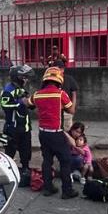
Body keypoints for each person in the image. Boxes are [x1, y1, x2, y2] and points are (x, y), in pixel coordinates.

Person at [28, 67, 78, 199]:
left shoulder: (37, 94)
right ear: (59, 80)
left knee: (47, 160)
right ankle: (67, 191)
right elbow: (71, 110)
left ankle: (48, 188)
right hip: (57, 134)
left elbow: (28, 103)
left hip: (43, 133)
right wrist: (74, 95)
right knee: (65, 161)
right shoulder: (60, 94)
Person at [0, 64, 34, 187]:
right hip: (13, 128)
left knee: (26, 151)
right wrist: (20, 103)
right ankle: (6, 175)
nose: (26, 80)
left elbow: (28, 103)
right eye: (24, 77)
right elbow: (5, 106)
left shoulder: (22, 89)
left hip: (25, 127)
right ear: (17, 77)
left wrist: (31, 102)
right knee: (10, 152)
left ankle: (25, 171)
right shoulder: (8, 90)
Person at [53, 56, 78, 129]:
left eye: (59, 69)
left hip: (67, 109)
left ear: (63, 69)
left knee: (67, 129)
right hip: (55, 110)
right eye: (55, 69)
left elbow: (74, 94)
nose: (57, 71)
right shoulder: (50, 80)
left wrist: (73, 107)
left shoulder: (69, 79)